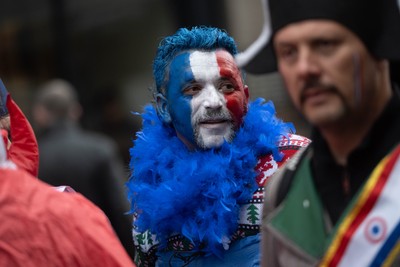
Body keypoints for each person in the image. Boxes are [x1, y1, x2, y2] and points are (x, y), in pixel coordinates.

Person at [126, 26, 310, 266]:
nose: (214, 102)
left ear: (245, 97)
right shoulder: (149, 191)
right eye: (193, 89)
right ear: (164, 108)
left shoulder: (294, 162)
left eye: (226, 87)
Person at [238, 0, 400, 265]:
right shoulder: (282, 193)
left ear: (380, 48)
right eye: (288, 52)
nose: (304, 68)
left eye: (325, 44)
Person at [0, 80, 135, 267]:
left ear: (40, 114)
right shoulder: (101, 148)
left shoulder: (35, 159)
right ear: (76, 110)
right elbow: (122, 210)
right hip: (100, 250)